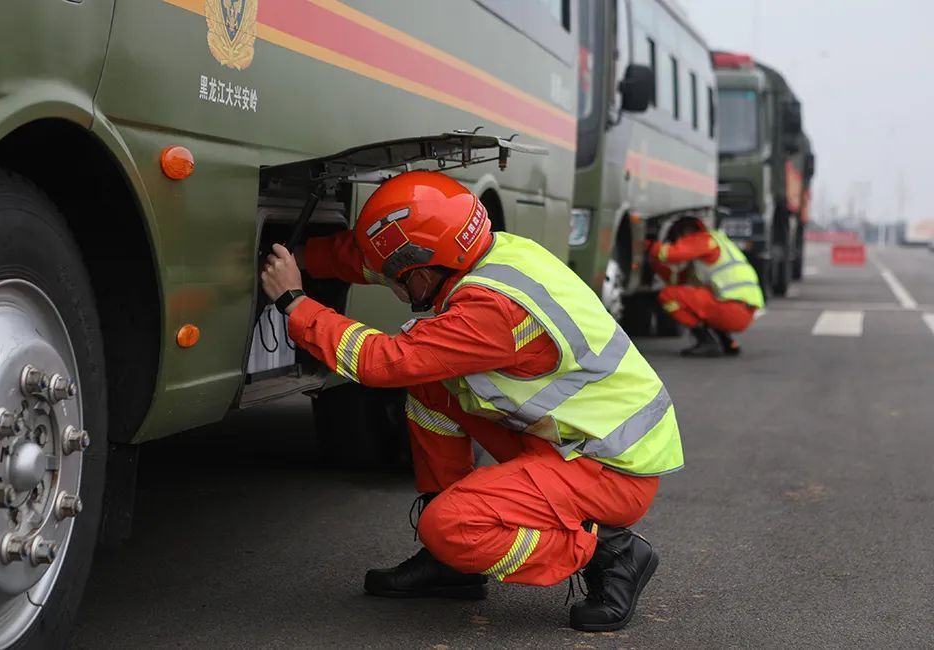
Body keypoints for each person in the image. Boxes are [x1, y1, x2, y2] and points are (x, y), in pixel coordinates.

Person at [260, 171, 683, 632]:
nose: (392, 288)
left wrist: (295, 301)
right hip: (576, 440)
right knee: (431, 388)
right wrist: (304, 257)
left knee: (448, 526)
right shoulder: (488, 250)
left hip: (606, 470)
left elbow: (380, 361)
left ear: (422, 271)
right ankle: (454, 568)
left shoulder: (490, 309)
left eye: (398, 282)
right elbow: (373, 262)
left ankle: (610, 553)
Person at [649, 218, 765, 357]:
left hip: (731, 310)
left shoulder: (702, 240)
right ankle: (726, 341)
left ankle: (706, 341)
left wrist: (648, 245)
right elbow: (679, 280)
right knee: (695, 298)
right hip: (745, 311)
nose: (678, 244)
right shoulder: (716, 245)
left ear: (684, 234)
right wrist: (656, 267)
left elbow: (667, 254)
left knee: (667, 296)